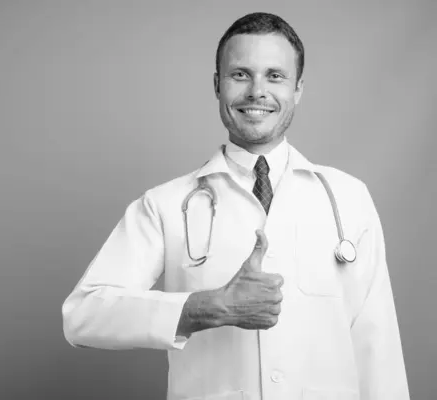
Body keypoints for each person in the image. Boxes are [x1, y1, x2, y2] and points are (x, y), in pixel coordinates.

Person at [62, 12, 409, 400]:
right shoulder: (165, 204)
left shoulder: (348, 198)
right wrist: (208, 308)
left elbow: (378, 348)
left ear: (298, 89)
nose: (256, 91)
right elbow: (82, 315)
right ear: (217, 85)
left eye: (274, 76)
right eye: (240, 74)